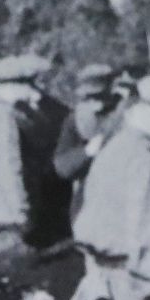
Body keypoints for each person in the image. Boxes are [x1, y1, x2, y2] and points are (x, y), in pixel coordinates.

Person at [69, 73, 150, 300]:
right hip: (129, 287)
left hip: (98, 276)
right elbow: (145, 233)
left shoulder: (118, 144)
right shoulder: (146, 159)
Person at [0, 53, 74, 259]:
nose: (34, 90)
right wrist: (22, 213)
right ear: (13, 85)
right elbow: (10, 167)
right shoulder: (4, 116)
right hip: (10, 219)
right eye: (29, 84)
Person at [52, 62, 122, 221]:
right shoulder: (75, 119)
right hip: (88, 197)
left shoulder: (124, 114)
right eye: (88, 97)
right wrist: (86, 152)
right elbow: (62, 166)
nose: (94, 103)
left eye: (100, 96)